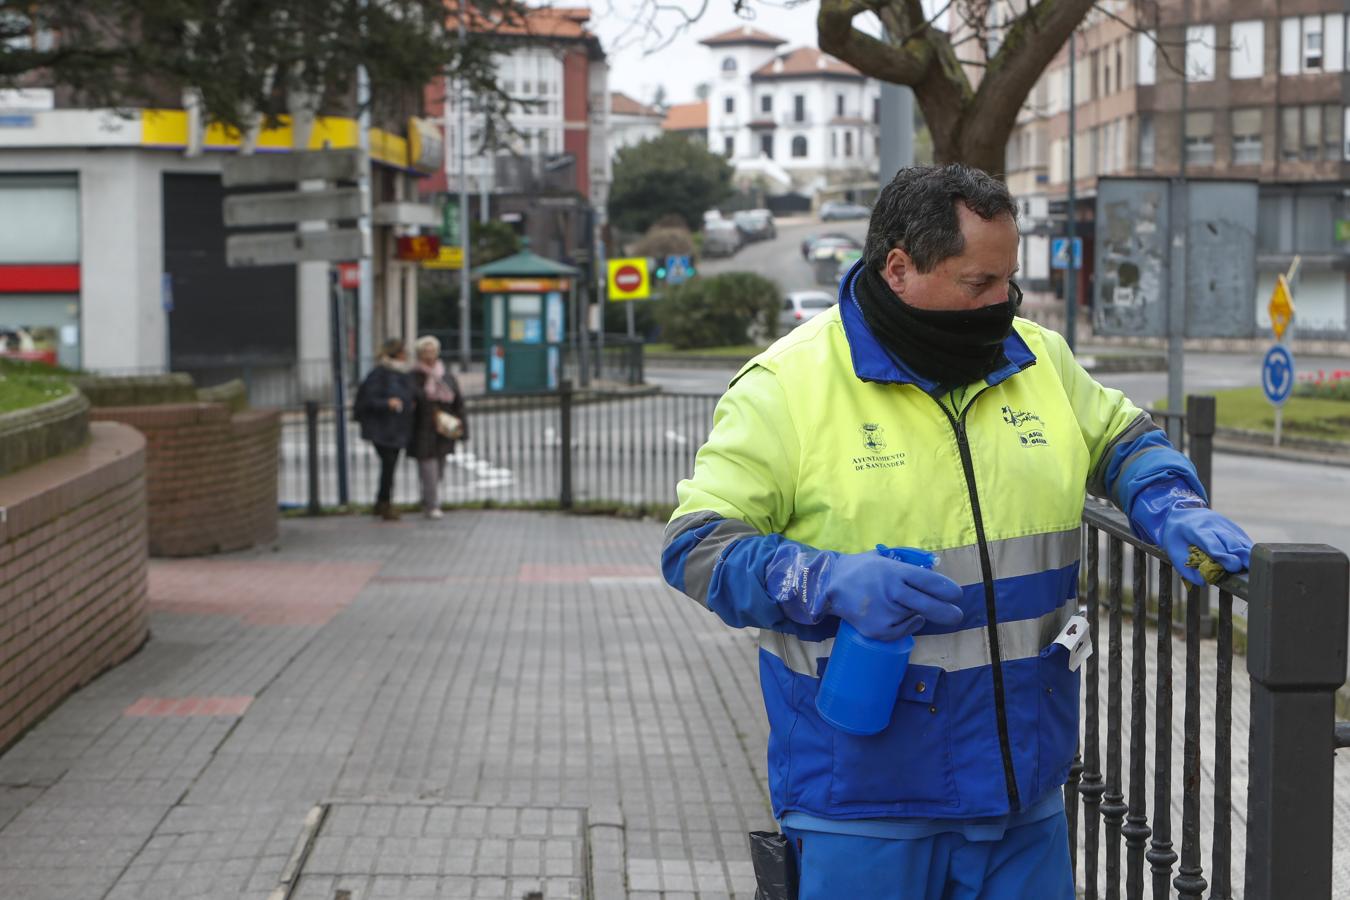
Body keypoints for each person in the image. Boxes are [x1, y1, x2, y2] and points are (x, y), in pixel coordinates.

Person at [661, 165, 1252, 900]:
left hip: (1022, 797)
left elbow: (1123, 439)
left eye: (1010, 282)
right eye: (979, 284)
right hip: (864, 807)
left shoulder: (1037, 359)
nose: (1001, 304)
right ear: (900, 268)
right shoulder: (789, 386)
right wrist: (823, 580)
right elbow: (696, 546)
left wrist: (1169, 502)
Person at [354, 337, 415, 521]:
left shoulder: (402, 373)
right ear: (396, 354)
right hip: (381, 429)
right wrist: (387, 403)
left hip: (397, 428)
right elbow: (367, 400)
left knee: (390, 466)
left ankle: (383, 502)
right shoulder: (379, 374)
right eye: (403, 352)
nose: (406, 356)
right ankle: (384, 503)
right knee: (388, 465)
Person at [408, 335, 468, 519]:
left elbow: (458, 402)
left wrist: (462, 428)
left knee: (439, 469)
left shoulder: (446, 375)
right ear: (419, 354)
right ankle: (432, 505)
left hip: (444, 428)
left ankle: (427, 499)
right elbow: (410, 399)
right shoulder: (413, 376)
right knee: (428, 469)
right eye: (425, 351)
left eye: (432, 351)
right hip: (422, 429)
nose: (429, 355)